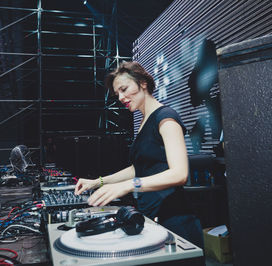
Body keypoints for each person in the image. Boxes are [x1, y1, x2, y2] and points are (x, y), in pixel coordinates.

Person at [74, 61, 203, 247]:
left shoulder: (166, 118)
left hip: (176, 222)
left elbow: (180, 174)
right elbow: (139, 168)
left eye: (124, 89)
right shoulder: (144, 122)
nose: (120, 97)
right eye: (117, 93)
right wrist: (97, 181)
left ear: (142, 83)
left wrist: (127, 186)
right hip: (153, 218)